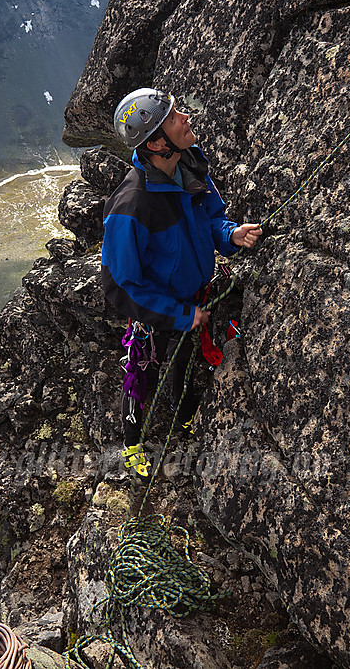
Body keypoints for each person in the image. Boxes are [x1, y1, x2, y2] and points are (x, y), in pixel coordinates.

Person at [101, 88, 262, 477]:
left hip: (192, 295)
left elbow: (210, 218)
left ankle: (184, 412)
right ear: (156, 142)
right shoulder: (131, 205)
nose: (186, 117)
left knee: (186, 358)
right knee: (144, 369)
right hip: (160, 307)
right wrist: (177, 314)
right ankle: (132, 441)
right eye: (174, 117)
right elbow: (121, 284)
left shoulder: (189, 163)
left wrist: (230, 236)